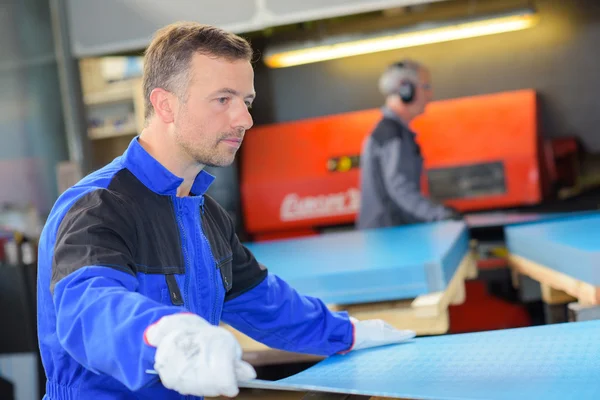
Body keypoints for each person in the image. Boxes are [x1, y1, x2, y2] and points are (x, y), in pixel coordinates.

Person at [36, 22, 416, 400]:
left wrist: (348, 334)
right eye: (223, 99)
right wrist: (166, 337)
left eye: (246, 102)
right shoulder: (98, 205)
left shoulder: (204, 213)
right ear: (164, 104)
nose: (244, 119)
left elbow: (264, 302)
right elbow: (89, 308)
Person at [356, 60, 460, 229]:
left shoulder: (393, 132)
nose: (430, 95)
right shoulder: (392, 134)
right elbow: (400, 188)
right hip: (389, 239)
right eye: (426, 87)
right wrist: (440, 215)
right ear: (406, 90)